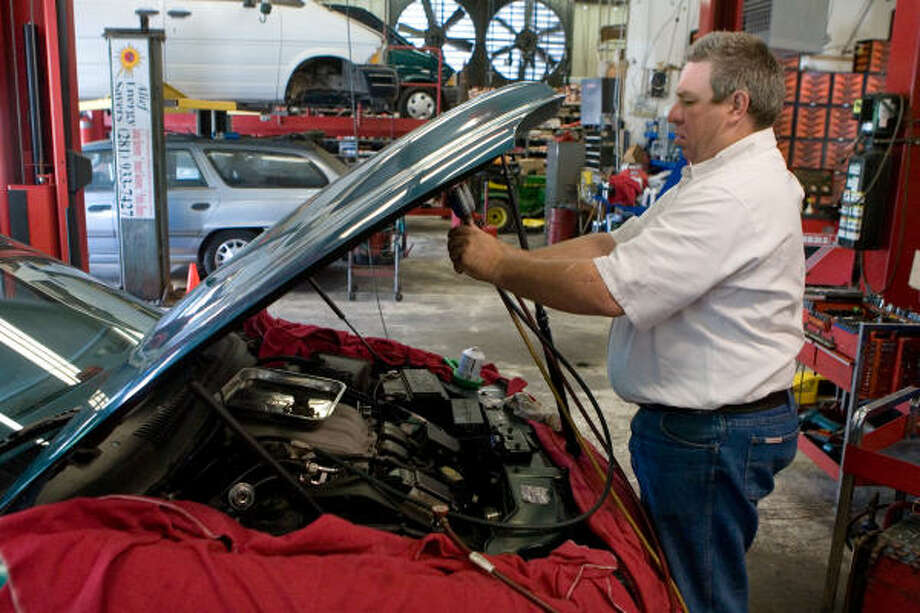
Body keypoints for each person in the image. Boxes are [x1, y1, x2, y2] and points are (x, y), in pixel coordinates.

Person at [447, 31, 804, 613]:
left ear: (737, 106)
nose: (672, 113)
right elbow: (611, 243)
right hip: (698, 428)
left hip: (712, 435)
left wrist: (501, 266)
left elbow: (611, 288)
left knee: (699, 595)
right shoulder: (710, 178)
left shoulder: (736, 196)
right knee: (676, 575)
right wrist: (511, 260)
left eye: (689, 101)